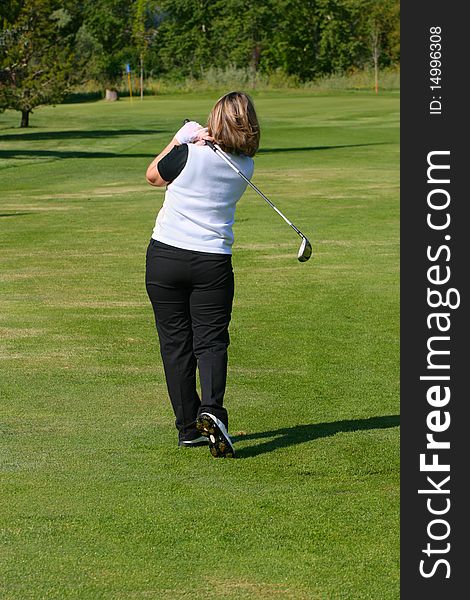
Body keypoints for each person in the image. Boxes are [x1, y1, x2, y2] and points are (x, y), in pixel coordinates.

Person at [145, 91, 260, 458]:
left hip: (166, 257)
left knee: (176, 345)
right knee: (210, 342)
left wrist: (180, 138)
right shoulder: (245, 165)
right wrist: (198, 139)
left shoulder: (187, 153)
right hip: (212, 262)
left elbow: (152, 176)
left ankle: (187, 428)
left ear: (216, 121)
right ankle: (211, 410)